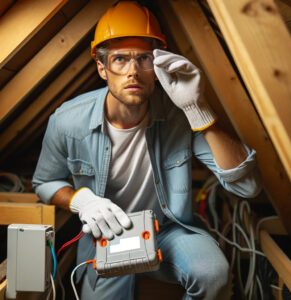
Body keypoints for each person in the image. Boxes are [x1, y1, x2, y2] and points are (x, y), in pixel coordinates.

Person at [32, 1, 262, 299]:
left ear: (157, 67)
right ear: (102, 68)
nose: (133, 72)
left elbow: (248, 186)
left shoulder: (180, 115)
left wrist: (198, 110)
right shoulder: (67, 120)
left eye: (143, 59)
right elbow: (44, 183)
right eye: (120, 60)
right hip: (108, 235)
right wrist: (81, 200)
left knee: (213, 273)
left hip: (168, 230)